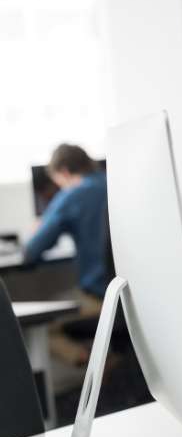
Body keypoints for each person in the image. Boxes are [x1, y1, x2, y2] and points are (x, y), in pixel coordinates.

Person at [24, 143, 111, 365]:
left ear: (63, 172)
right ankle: (111, 365)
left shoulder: (72, 195)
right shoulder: (117, 183)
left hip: (99, 299)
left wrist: (37, 227)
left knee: (36, 325)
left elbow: (32, 251)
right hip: (135, 297)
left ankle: (99, 364)